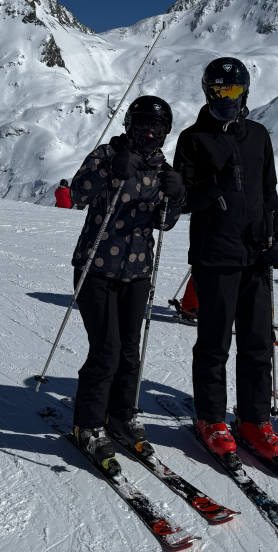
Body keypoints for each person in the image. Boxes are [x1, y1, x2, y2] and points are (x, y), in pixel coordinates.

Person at [173, 57, 278, 465]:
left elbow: (270, 193)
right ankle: (211, 418)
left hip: (256, 254)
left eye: (234, 90)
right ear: (208, 92)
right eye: (219, 90)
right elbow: (181, 201)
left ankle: (254, 419)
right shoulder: (193, 139)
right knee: (214, 344)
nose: (227, 98)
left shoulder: (258, 135)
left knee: (258, 343)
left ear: (245, 92)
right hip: (215, 257)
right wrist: (213, 186)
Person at [68, 95, 185, 474]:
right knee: (107, 350)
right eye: (142, 125)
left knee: (130, 351)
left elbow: (164, 223)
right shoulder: (107, 154)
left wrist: (177, 196)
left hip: (136, 273)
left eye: (157, 128)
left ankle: (120, 414)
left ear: (165, 133)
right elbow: (77, 194)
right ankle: (88, 424)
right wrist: (109, 170)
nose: (148, 133)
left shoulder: (161, 169)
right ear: (130, 126)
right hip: (96, 268)